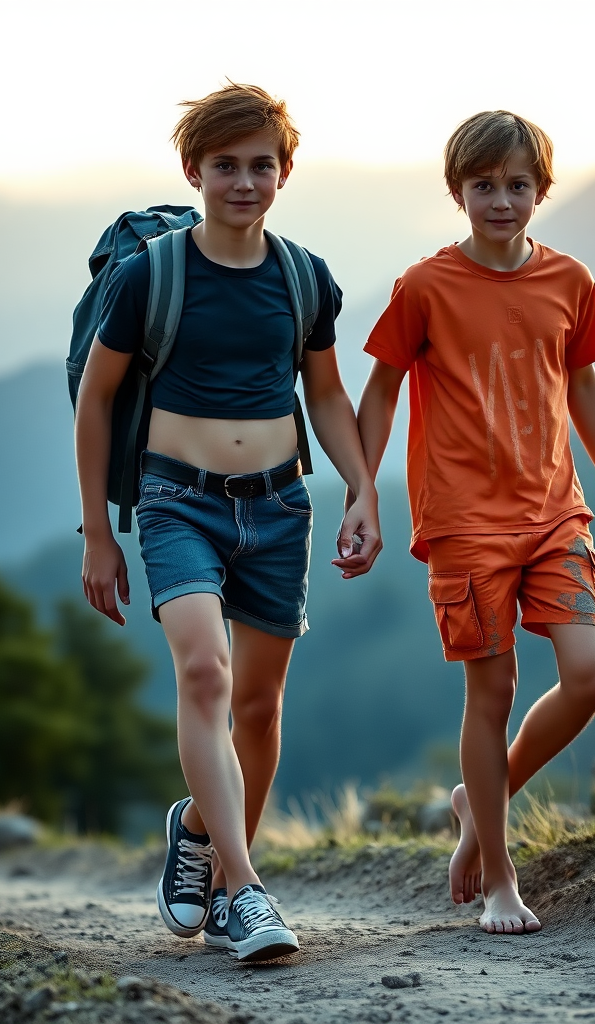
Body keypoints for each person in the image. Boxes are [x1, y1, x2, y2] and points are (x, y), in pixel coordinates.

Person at [74, 83, 381, 961]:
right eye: (225, 165)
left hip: (282, 506)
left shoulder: (301, 274)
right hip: (177, 504)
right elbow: (96, 401)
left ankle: (204, 843)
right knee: (205, 671)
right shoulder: (151, 275)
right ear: (193, 169)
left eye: (260, 166)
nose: (243, 182)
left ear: (285, 171)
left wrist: (360, 488)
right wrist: (98, 531)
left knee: (257, 704)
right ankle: (246, 891)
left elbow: (323, 390)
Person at [354, 111, 595, 934]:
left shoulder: (571, 281)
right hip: (464, 523)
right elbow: (381, 389)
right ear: (459, 192)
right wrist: (364, 493)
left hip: (558, 510)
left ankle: (478, 802)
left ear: (541, 190)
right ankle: (498, 877)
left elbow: (583, 385)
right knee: (494, 691)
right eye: (484, 185)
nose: (501, 200)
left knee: (591, 673)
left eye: (518, 185)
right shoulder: (424, 287)